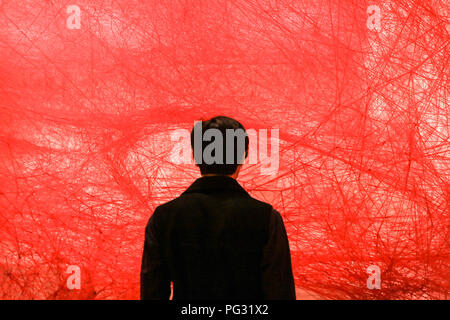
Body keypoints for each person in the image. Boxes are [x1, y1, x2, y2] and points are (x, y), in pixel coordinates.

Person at [140, 116, 296, 299]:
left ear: (196, 156)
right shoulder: (267, 218)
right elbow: (280, 293)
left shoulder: (163, 217)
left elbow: (152, 293)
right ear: (243, 155)